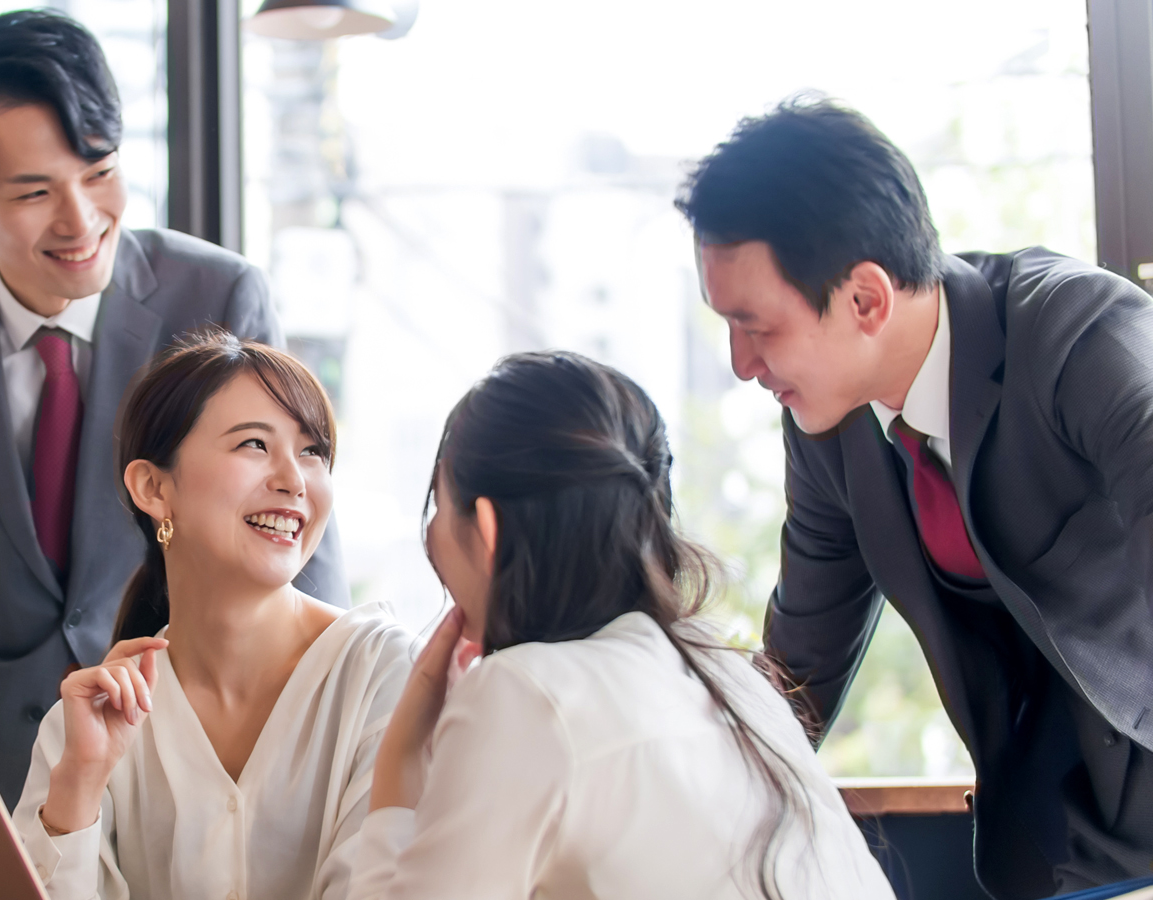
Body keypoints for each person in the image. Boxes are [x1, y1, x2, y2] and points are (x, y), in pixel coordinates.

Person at [0, 9, 346, 805]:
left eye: (100, 172)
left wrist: (327, 718)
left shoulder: (216, 295)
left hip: (196, 729)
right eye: (35, 191)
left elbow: (296, 520)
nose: (81, 221)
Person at [681, 96, 1153, 897]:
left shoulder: (1079, 333)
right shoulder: (826, 430)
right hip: (1054, 847)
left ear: (865, 298)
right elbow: (802, 664)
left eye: (755, 327)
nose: (739, 363)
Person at [347, 351, 893, 900]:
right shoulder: (731, 677)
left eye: (437, 507)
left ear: (488, 530)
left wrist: (398, 767)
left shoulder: (523, 692)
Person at [10, 328, 411, 900]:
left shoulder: (383, 674)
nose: (293, 481)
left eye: (312, 452)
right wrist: (79, 781)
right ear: (153, 487)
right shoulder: (84, 726)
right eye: (254, 445)